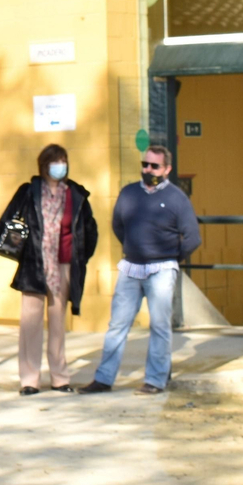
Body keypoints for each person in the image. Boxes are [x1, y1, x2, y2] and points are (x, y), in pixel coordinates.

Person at [81, 144, 200, 395]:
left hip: (162, 269)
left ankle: (155, 380)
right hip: (131, 268)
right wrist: (134, 247)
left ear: (167, 169)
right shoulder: (128, 193)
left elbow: (192, 237)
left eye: (154, 166)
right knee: (117, 325)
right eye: (145, 164)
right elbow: (117, 225)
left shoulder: (177, 198)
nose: (148, 169)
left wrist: (172, 259)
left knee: (159, 326)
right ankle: (103, 379)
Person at [0, 144, 98, 395]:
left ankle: (60, 378)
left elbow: (90, 230)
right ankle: (29, 379)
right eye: (56, 162)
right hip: (34, 266)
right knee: (30, 325)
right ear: (44, 165)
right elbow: (6, 220)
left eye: (64, 161)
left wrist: (80, 258)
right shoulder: (29, 192)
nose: (61, 166)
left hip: (64, 267)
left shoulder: (76, 195)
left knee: (58, 324)